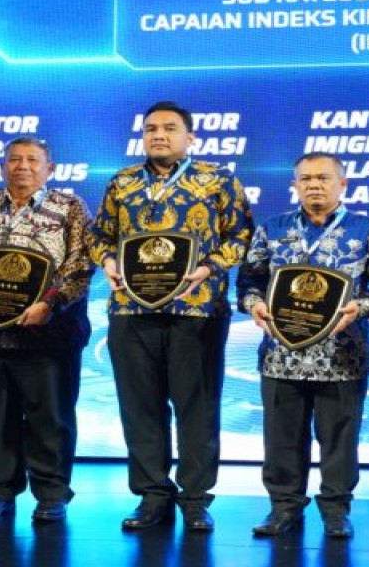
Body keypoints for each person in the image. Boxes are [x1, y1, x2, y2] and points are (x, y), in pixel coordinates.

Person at [89, 100, 253, 532]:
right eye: (151, 129)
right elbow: (100, 235)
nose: (159, 135)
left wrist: (208, 268)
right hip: (130, 309)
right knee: (140, 408)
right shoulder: (122, 182)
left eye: (169, 128)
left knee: (196, 407)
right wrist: (107, 263)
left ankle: (195, 498)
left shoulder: (217, 180)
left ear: (190, 136)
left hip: (196, 310)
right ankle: (151, 495)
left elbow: (240, 235)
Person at [238, 152, 369, 539]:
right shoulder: (272, 229)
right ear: (294, 185)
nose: (313, 185)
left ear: (343, 184)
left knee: (340, 438)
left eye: (323, 178)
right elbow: (248, 282)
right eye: (305, 179)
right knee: (281, 437)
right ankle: (283, 507)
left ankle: (336, 509)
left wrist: (363, 307)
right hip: (280, 355)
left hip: (343, 355)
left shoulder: (368, 231)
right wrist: (254, 305)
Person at [0, 137, 93, 523]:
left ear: (50, 168)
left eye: (32, 160)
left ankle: (51, 494)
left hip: (49, 333)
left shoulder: (71, 208)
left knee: (51, 418)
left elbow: (80, 264)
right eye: (14, 159)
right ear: (2, 166)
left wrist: (50, 304)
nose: (22, 166)